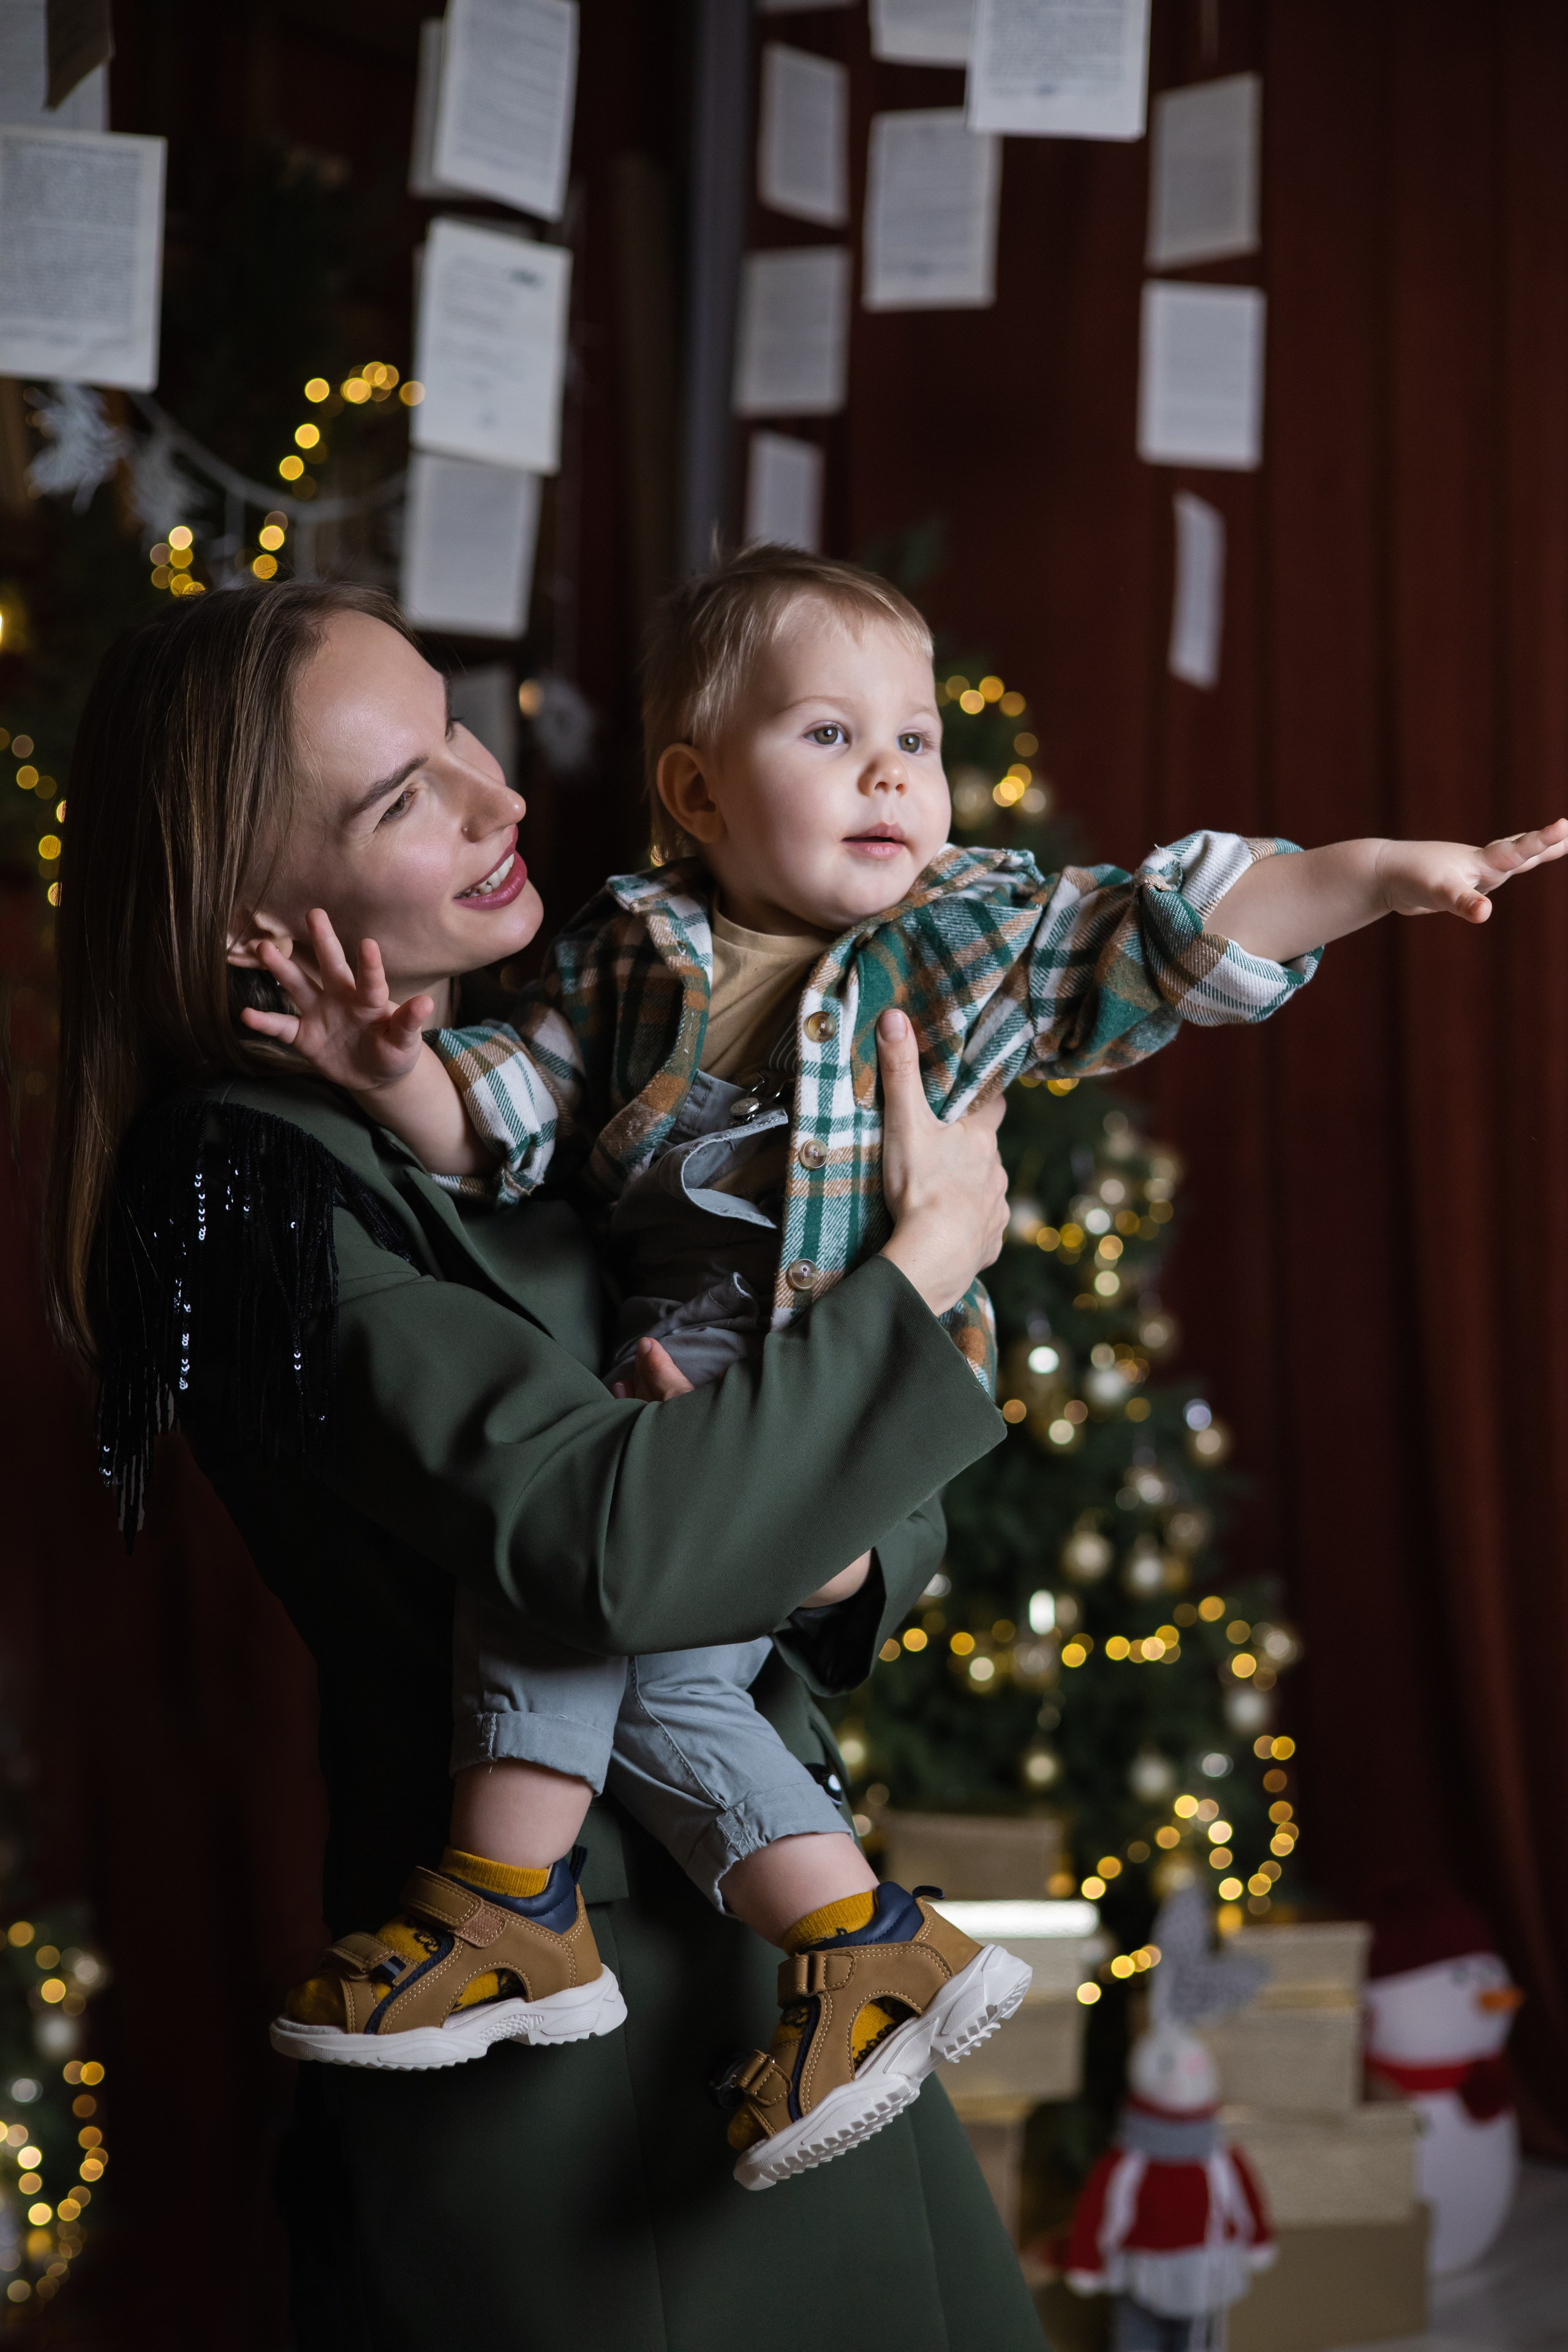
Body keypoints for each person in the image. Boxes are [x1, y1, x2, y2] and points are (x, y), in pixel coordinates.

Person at [227, 548, 1568, 2193]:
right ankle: (854, 1938)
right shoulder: (628, 951)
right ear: (695, 791)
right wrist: (402, 1084)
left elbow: (1153, 933)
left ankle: (514, 1898)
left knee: (586, 1606)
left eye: (916, 742)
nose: (889, 772)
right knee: (669, 1675)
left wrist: (1367, 873)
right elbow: (513, 1116)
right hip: (697, 1370)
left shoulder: (955, 940)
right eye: (828, 735)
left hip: (820, 1352)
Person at [45, 579, 1050, 2350]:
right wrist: (922, 1271)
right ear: (244, 920)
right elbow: (610, 1551)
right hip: (581, 2061)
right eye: (403, 796)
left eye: (456, 729)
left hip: (787, 1960)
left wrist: (828, 1560)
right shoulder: (253, 1187)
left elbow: (861, 1499)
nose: (501, 797)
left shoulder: (537, 1078)